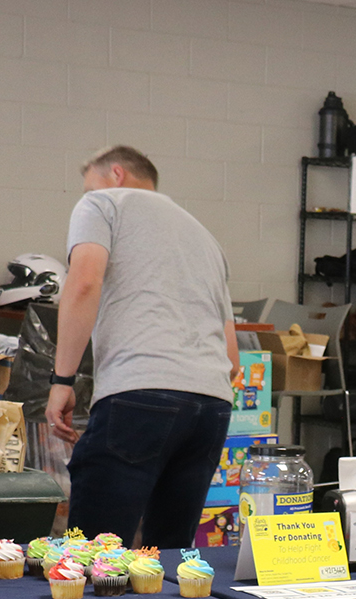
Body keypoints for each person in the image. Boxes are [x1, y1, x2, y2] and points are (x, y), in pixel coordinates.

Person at [45, 145, 238, 549]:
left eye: (87, 185)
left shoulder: (101, 204)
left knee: (92, 556)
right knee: (168, 561)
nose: (85, 194)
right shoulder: (203, 234)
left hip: (140, 394)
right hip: (211, 406)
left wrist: (62, 379)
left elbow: (83, 284)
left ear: (115, 174)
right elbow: (231, 356)